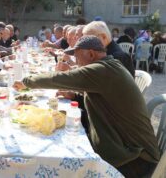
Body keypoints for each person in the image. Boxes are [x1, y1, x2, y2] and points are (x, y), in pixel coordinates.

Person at [13, 35, 160, 178]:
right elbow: (104, 100)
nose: (76, 63)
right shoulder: (109, 66)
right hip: (131, 149)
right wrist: (75, 96)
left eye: (77, 58)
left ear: (90, 54)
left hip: (136, 159)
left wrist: (26, 82)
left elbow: (59, 78)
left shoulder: (101, 70)